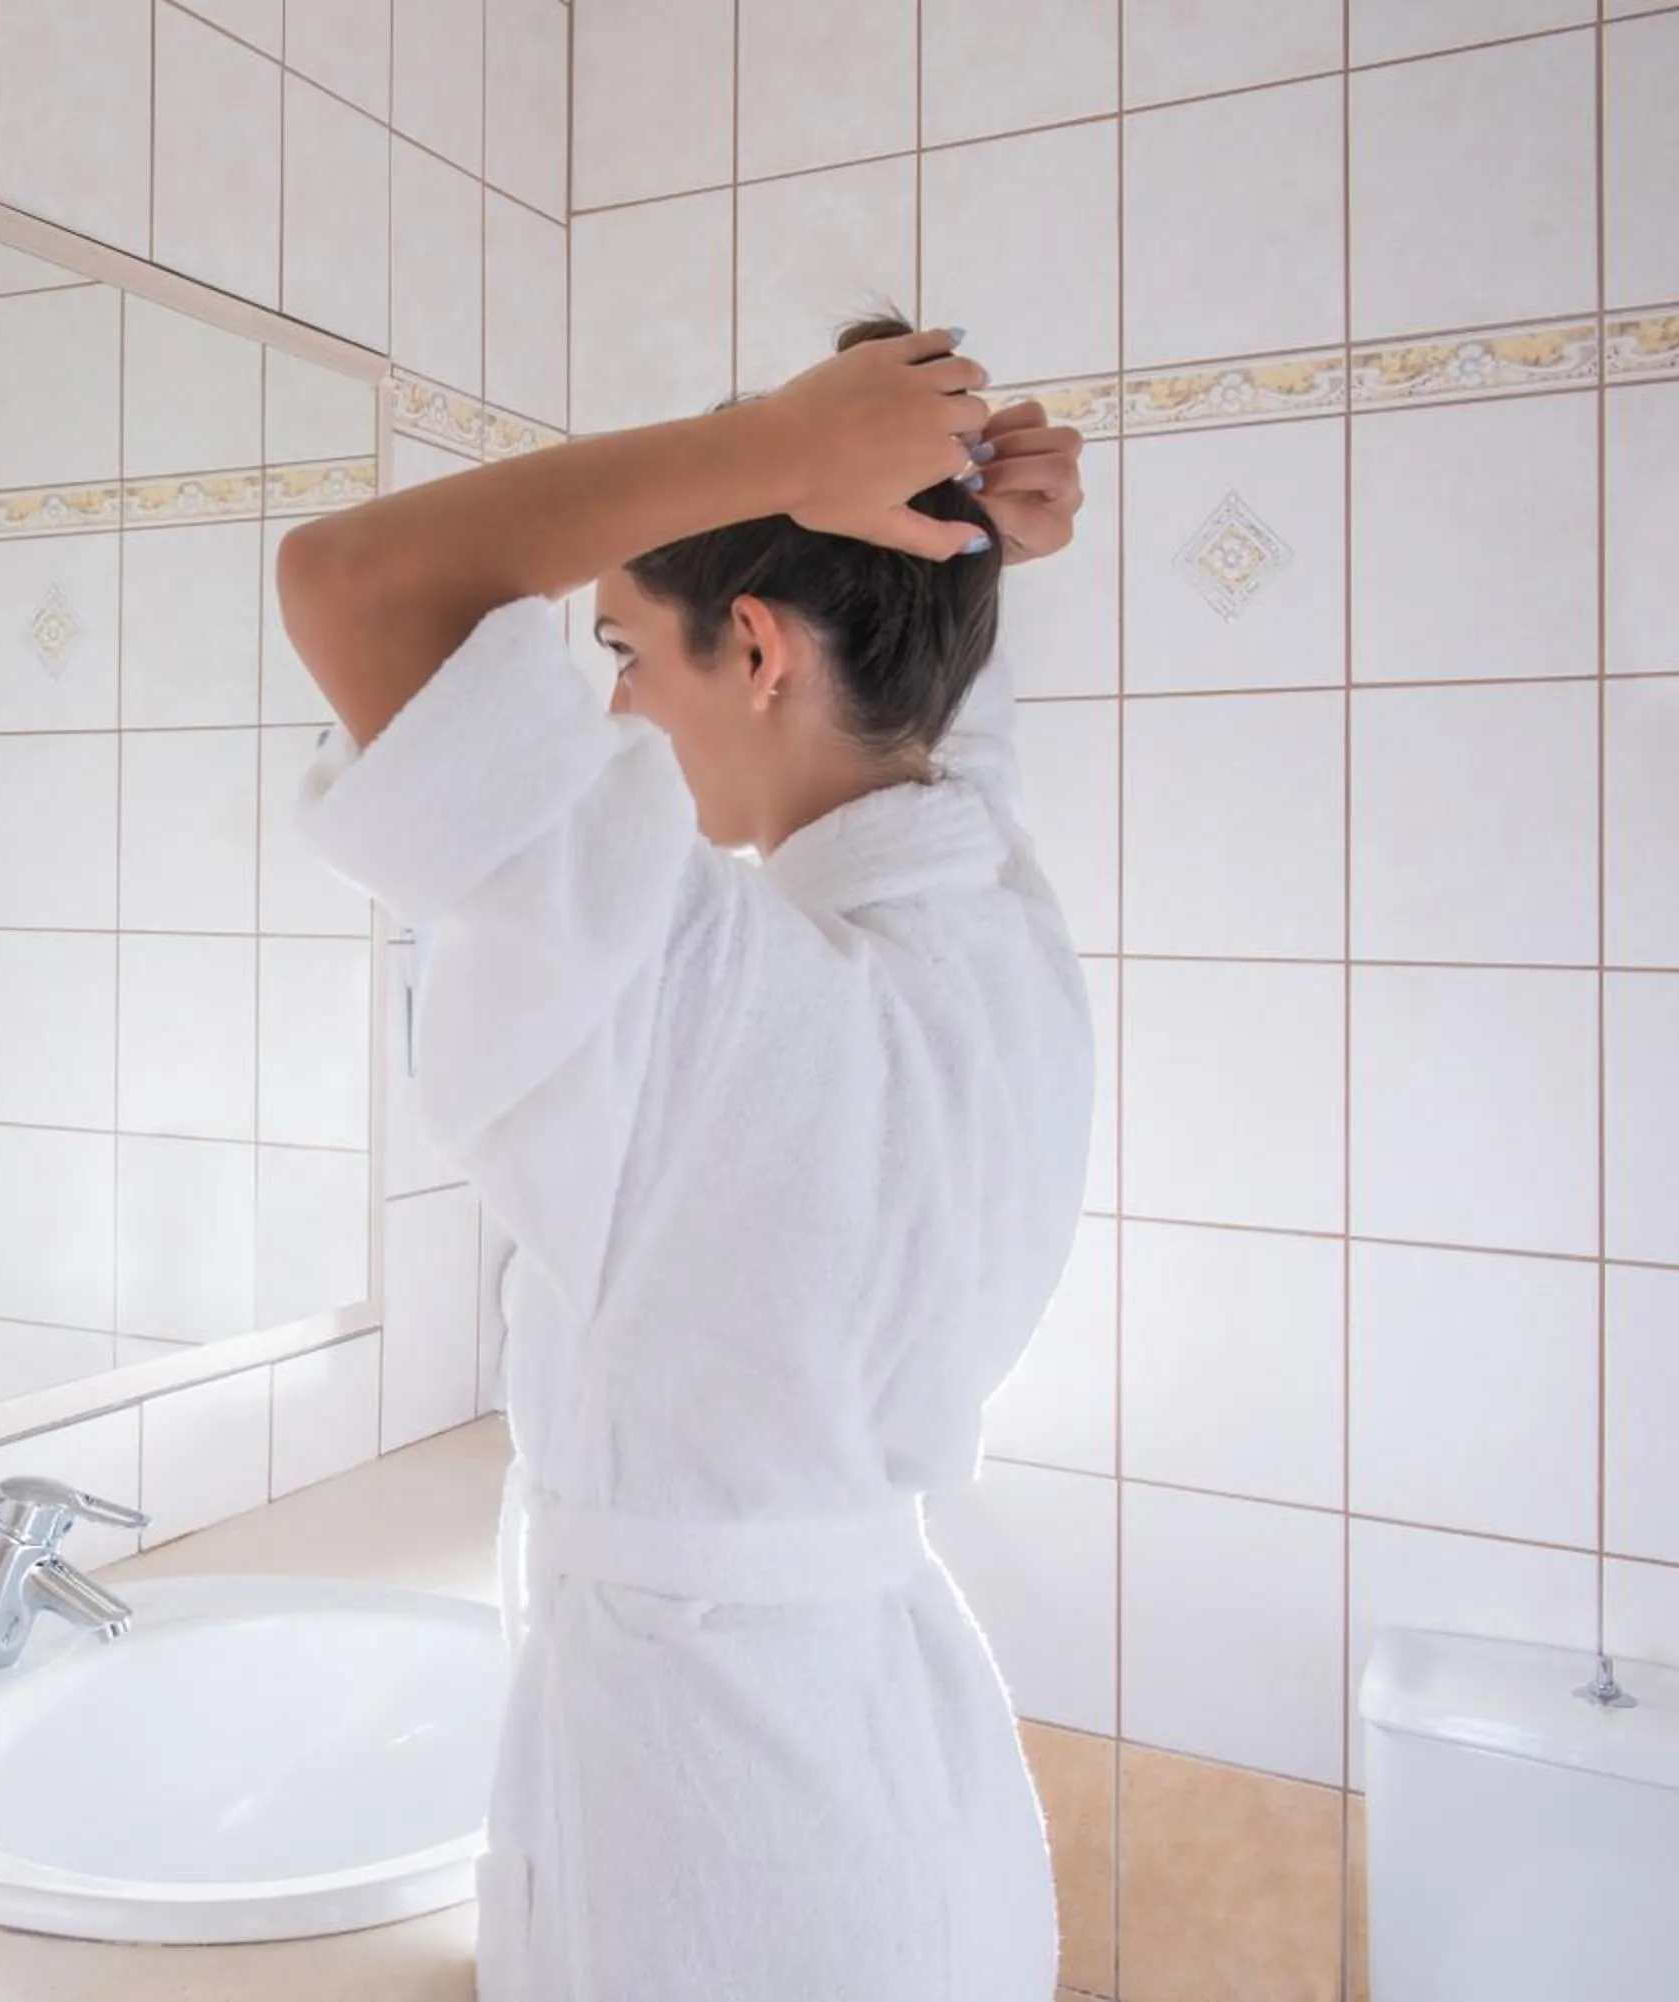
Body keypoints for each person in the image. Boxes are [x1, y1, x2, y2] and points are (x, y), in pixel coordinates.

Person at [275, 322, 1094, 1998]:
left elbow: (352, 584)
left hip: (721, 1849)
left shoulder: (712, 997)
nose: (619, 706)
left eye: (624, 650)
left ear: (757, 646)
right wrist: (954, 537)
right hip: (922, 1817)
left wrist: (790, 454)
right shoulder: (993, 919)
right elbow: (923, 723)